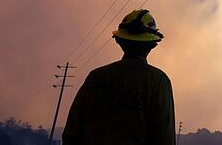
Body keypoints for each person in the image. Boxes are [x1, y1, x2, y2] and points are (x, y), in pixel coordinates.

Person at [63, 9, 175, 145]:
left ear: (119, 41)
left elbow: (71, 132)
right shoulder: (158, 81)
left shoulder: (96, 77)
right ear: (152, 45)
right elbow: (164, 137)